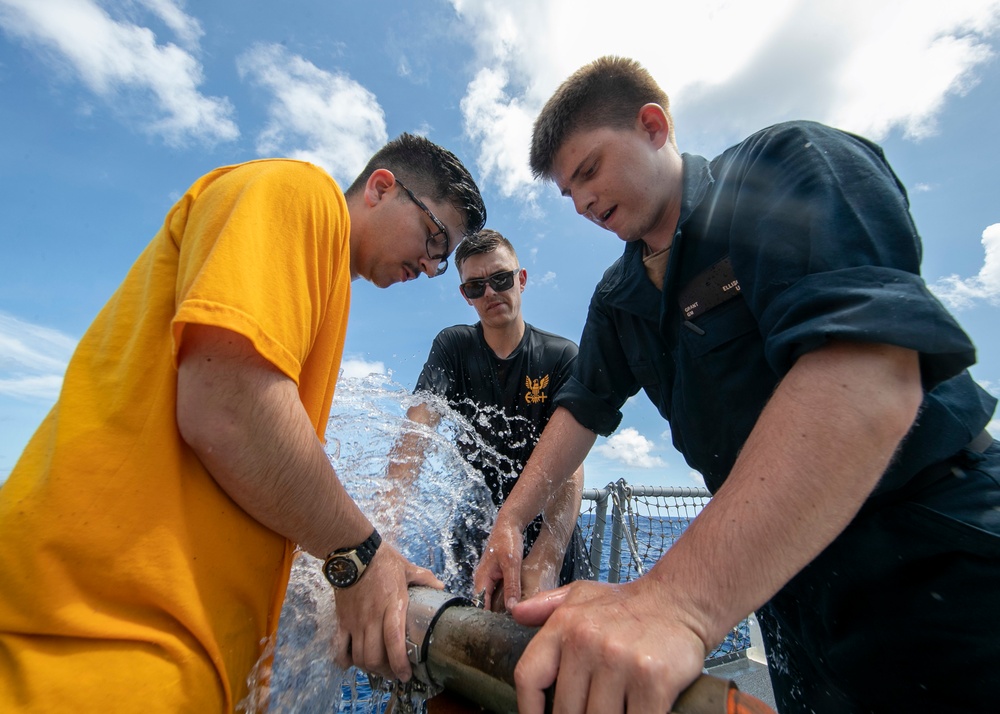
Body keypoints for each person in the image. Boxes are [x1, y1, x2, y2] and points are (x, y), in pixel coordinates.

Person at [473, 56, 1000, 714]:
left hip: (931, 544)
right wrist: (511, 519)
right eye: (567, 193)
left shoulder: (785, 165)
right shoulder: (617, 296)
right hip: (779, 580)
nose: (582, 202)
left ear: (653, 126)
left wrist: (674, 601)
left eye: (589, 170)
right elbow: (581, 409)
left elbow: (870, 377)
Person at [0, 133, 486, 712]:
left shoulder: (324, 282)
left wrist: (369, 565)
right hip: (89, 651)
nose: (431, 266)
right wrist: (360, 558)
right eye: (434, 239)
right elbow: (230, 408)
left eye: (441, 260)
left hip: (161, 661)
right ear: (382, 188)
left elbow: (263, 468)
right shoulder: (300, 194)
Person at [386, 228, 590, 608]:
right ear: (465, 296)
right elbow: (416, 432)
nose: (491, 293)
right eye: (476, 286)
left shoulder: (561, 357)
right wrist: (385, 533)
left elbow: (570, 464)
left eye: (501, 279)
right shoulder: (453, 348)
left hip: (546, 527)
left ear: (522, 280)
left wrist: (548, 556)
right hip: (476, 526)